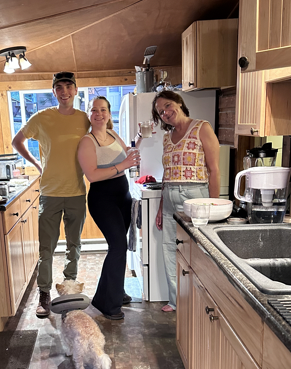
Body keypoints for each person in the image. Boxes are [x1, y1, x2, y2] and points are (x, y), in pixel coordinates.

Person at [12, 72, 90, 318]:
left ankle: (69, 287)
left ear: (75, 90)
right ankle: (44, 293)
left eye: (68, 86)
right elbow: (17, 141)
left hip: (77, 192)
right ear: (54, 92)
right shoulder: (41, 118)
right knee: (46, 249)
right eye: (59, 87)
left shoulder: (85, 119)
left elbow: (101, 139)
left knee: (74, 245)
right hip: (50, 193)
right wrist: (37, 164)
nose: (64, 91)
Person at [149, 89, 220, 312]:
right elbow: (167, 173)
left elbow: (214, 170)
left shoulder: (202, 127)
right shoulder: (166, 137)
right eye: (160, 112)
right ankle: (175, 301)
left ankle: (202, 300)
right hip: (169, 195)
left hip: (195, 195)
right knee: (170, 248)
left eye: (167, 106)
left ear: (179, 103)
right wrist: (161, 207)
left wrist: (215, 206)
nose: (165, 113)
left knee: (200, 250)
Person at [77, 96, 140, 320]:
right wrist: (123, 165)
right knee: (118, 246)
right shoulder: (87, 142)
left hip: (123, 196)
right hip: (103, 199)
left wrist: (138, 143)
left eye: (103, 110)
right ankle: (109, 306)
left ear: (109, 113)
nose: (99, 114)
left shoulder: (113, 134)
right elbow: (92, 175)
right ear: (89, 115)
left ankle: (113, 293)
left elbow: (127, 153)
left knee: (118, 248)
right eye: (94, 110)